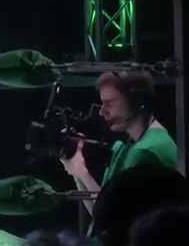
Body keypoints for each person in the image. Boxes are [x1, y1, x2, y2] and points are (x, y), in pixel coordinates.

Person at [64, 69, 178, 218]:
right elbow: (99, 217)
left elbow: (112, 218)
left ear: (136, 102)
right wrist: (77, 172)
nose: (102, 112)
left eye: (110, 103)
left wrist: (83, 173)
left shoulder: (145, 153)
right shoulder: (129, 145)